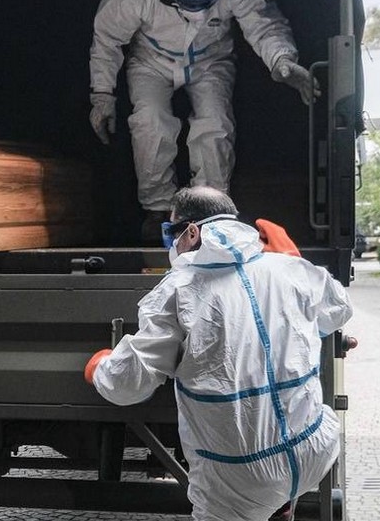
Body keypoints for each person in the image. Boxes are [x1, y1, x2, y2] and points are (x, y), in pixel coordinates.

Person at [84, 187, 352, 521]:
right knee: (279, 476)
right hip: (313, 449)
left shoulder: (179, 289)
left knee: (247, 489)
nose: (171, 246)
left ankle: (272, 500)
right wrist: (298, 264)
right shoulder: (289, 269)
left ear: (191, 232)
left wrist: (101, 367)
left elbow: (128, 385)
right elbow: (338, 310)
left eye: (170, 234)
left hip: (240, 477)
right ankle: (281, 504)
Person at [88, 0, 319, 243]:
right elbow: (106, 38)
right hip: (151, 60)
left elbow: (263, 22)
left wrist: (282, 59)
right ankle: (157, 210)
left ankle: (210, 211)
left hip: (210, 59)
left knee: (215, 123)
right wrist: (102, 96)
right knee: (150, 122)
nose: (197, 7)